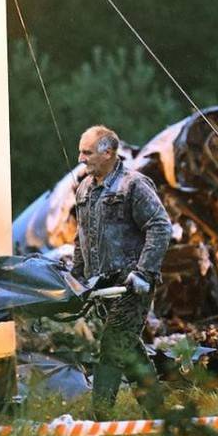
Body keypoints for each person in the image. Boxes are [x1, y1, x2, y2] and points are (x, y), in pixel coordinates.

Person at [72, 125, 171, 419]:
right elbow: (82, 238)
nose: (81, 158)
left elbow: (160, 226)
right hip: (102, 288)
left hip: (132, 285)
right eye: (81, 151)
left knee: (113, 347)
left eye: (87, 152)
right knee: (130, 352)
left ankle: (101, 419)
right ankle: (158, 414)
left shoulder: (133, 186)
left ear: (109, 153)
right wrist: (76, 279)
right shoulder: (84, 189)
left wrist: (144, 272)